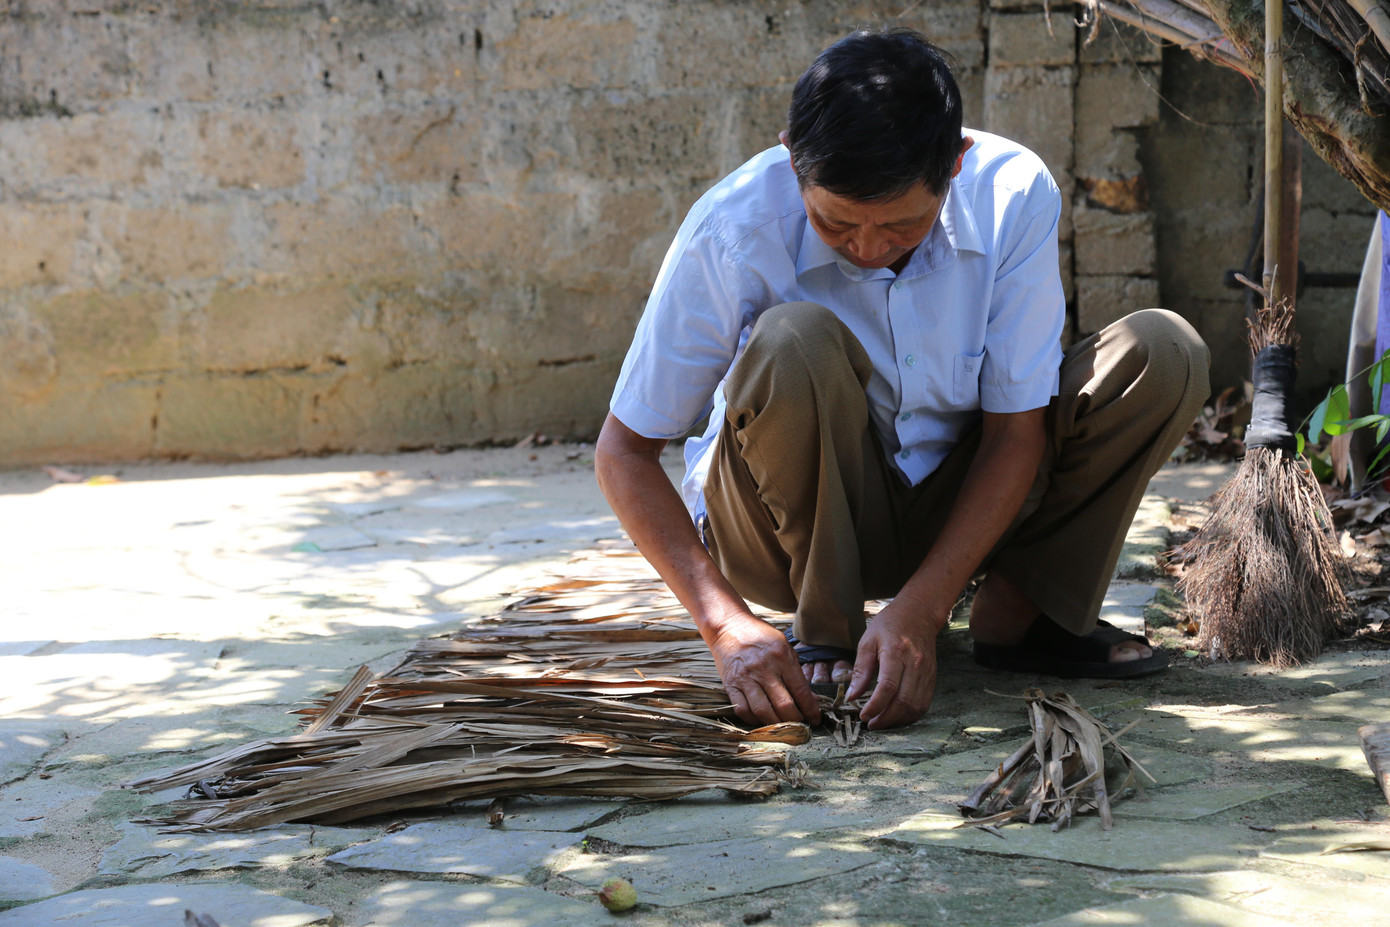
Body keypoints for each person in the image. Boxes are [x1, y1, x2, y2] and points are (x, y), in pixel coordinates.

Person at [594, 27, 1209, 732]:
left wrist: (923, 608)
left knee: (1164, 351)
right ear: (792, 161)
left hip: (959, 509)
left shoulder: (1014, 193)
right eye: (835, 223)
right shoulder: (732, 226)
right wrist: (724, 624)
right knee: (794, 336)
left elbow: (1015, 434)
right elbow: (623, 453)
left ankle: (1022, 608)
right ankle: (825, 627)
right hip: (774, 538)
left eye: (902, 226)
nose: (868, 248)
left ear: (956, 163)